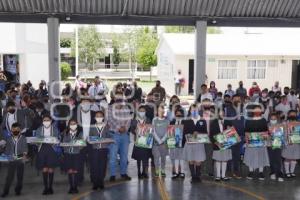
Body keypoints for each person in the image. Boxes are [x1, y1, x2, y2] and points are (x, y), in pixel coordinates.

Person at [108, 93, 132, 181]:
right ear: (114, 98)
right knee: (113, 156)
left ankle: (123, 173)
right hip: (114, 135)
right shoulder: (110, 108)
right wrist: (119, 128)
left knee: (124, 156)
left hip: (125, 135)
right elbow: (110, 120)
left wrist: (125, 128)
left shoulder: (126, 108)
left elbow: (129, 120)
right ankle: (113, 175)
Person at [1, 123, 28, 198]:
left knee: (20, 176)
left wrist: (19, 156)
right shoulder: (9, 139)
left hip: (20, 160)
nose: (15, 131)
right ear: (11, 130)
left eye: (17, 129)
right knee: (9, 177)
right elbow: (7, 150)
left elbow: (25, 150)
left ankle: (18, 190)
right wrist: (7, 155)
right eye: (13, 129)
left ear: (20, 130)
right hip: (11, 161)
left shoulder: (23, 138)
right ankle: (5, 191)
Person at [35, 115, 60, 195]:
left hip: (52, 149)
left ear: (51, 120)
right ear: (42, 121)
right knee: (45, 169)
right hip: (42, 149)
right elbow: (37, 139)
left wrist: (52, 140)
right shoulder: (39, 129)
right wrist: (39, 140)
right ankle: (45, 187)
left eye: (48, 120)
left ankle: (50, 187)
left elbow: (57, 138)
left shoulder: (55, 129)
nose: (46, 121)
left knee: (51, 168)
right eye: (44, 120)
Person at [244, 105, 270, 180]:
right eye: (256, 110)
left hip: (261, 142)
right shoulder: (248, 120)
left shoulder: (263, 120)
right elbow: (246, 131)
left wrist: (265, 139)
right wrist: (247, 141)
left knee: (261, 156)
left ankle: (261, 172)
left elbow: (266, 131)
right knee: (250, 156)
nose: (257, 111)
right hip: (251, 142)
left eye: (259, 110)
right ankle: (250, 171)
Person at [183, 104, 206, 183]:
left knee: (198, 160)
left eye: (195, 110)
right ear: (190, 111)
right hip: (189, 143)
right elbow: (184, 132)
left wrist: (198, 132)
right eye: (192, 110)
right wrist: (191, 133)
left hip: (199, 143)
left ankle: (198, 176)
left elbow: (205, 132)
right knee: (191, 160)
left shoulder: (202, 120)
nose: (194, 111)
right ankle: (193, 176)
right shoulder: (186, 120)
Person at [224, 94, 244, 179]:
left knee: (237, 154)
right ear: (232, 100)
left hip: (241, 133)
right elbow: (226, 121)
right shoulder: (228, 109)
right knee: (230, 153)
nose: (237, 101)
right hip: (231, 133)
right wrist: (228, 129)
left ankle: (236, 171)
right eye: (235, 99)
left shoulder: (244, 109)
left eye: (238, 99)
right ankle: (228, 171)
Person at [89, 111, 111, 190]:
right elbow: (90, 137)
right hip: (95, 149)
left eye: (100, 116)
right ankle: (95, 183)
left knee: (102, 166)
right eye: (97, 116)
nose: (99, 117)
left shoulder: (106, 126)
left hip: (104, 149)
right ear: (95, 118)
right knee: (94, 166)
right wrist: (91, 140)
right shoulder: (91, 126)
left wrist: (108, 140)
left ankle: (101, 182)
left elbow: (109, 135)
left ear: (103, 118)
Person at [62, 119, 83, 194]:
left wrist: (75, 143)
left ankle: (75, 187)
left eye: (74, 124)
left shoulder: (80, 133)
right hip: (68, 154)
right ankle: (71, 187)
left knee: (75, 171)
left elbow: (82, 143)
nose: (73, 125)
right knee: (70, 171)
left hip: (77, 154)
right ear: (68, 125)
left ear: (77, 124)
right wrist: (72, 143)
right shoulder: (65, 132)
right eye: (71, 124)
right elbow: (64, 143)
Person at [131, 106, 152, 179]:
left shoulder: (148, 119)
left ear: (145, 112)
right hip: (137, 140)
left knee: (145, 157)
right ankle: (139, 172)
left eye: (143, 111)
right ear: (138, 111)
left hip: (146, 141)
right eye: (140, 111)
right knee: (138, 157)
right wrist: (135, 131)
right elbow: (132, 129)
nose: (142, 112)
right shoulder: (134, 120)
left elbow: (150, 128)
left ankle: (144, 172)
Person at [210, 111, 232, 181]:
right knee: (218, 160)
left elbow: (232, 133)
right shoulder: (213, 122)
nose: (221, 115)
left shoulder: (228, 122)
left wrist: (229, 129)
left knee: (225, 160)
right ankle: (218, 176)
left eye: (223, 113)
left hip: (226, 143)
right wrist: (215, 142)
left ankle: (223, 176)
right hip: (217, 143)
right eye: (220, 113)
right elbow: (211, 135)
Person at [152, 105, 169, 177]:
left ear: (163, 111)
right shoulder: (154, 120)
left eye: (161, 110)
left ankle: (163, 170)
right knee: (156, 157)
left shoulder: (167, 121)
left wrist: (162, 140)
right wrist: (158, 140)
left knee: (163, 157)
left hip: (164, 143)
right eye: (158, 110)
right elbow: (153, 131)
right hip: (156, 143)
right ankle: (157, 170)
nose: (160, 112)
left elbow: (168, 132)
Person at [282, 110, 300, 178]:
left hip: (296, 143)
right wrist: (285, 142)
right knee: (287, 158)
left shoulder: (298, 123)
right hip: (288, 143)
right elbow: (283, 133)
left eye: (294, 114)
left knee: (294, 158)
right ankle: (287, 172)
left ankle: (292, 171)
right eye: (291, 114)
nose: (293, 115)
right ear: (288, 115)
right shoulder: (285, 123)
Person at [267, 113, 284, 182]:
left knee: (278, 159)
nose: (273, 120)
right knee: (271, 159)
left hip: (278, 144)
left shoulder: (281, 125)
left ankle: (279, 174)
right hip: (269, 145)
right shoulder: (266, 125)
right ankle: (272, 172)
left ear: (277, 119)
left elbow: (283, 135)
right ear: (269, 119)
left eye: (274, 119)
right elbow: (264, 135)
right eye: (272, 119)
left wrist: (283, 142)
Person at [169, 109, 185, 179]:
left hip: (182, 142)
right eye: (177, 114)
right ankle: (176, 172)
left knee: (181, 158)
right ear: (175, 115)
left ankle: (182, 172)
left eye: (180, 114)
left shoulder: (185, 122)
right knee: (175, 157)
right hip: (174, 142)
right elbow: (169, 131)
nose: (178, 115)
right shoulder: (172, 122)